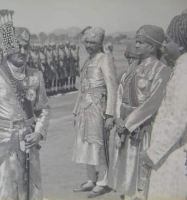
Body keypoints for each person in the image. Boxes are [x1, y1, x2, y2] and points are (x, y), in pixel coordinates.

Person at [0, 9, 50, 200]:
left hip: (27, 141)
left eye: (27, 47)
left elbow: (43, 109)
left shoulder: (36, 75)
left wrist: (39, 132)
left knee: (26, 190)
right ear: (8, 47)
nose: (23, 52)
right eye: (19, 46)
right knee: (0, 191)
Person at [108, 25, 170, 200]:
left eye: (141, 42)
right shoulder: (133, 66)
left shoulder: (160, 70)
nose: (136, 45)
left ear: (152, 47)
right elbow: (120, 91)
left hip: (141, 129)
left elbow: (153, 103)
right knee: (124, 174)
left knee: (139, 176)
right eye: (136, 41)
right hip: (124, 127)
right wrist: (118, 118)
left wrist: (128, 123)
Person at [139, 11, 187, 200]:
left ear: (180, 44)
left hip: (173, 156)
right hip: (169, 152)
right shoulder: (182, 68)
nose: (164, 44)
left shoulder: (186, 73)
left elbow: (178, 123)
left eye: (168, 40)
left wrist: (152, 153)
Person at [72, 27, 118, 198]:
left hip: (98, 107)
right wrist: (75, 110)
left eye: (93, 42)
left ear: (100, 43)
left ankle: (103, 181)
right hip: (84, 107)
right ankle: (91, 179)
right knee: (85, 143)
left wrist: (110, 114)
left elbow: (112, 87)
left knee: (99, 144)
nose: (89, 45)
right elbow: (82, 88)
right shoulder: (88, 60)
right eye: (87, 42)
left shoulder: (104, 59)